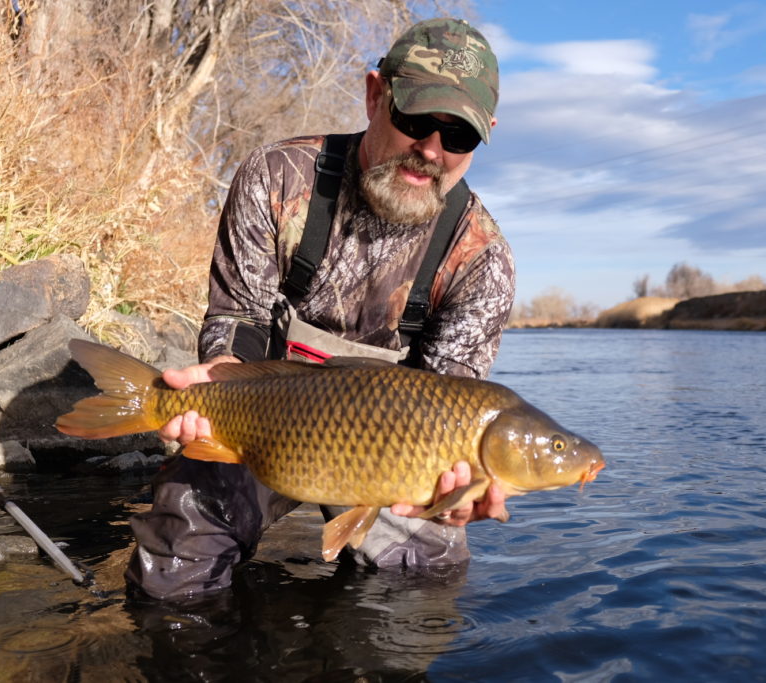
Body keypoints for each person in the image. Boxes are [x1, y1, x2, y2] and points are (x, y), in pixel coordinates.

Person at [125, 17, 516, 601]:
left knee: (428, 582)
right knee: (172, 577)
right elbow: (239, 323)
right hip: (261, 426)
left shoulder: (482, 259)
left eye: (457, 136)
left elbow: (450, 403)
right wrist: (210, 391)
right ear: (374, 95)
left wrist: (453, 492)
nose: (431, 150)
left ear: (482, 137)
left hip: (389, 457)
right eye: (414, 121)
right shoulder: (276, 178)